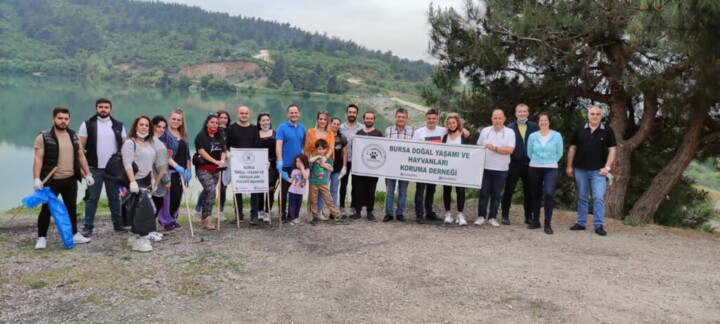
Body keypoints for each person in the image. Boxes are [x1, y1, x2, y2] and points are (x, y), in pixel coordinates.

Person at [33, 107, 93, 250]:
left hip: (70, 179)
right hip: (51, 180)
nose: (63, 121)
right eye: (60, 118)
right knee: (46, 209)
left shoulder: (74, 136)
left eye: (66, 119)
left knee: (71, 208)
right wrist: (36, 178)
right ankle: (42, 237)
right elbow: (38, 159)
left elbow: (80, 156)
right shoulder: (43, 136)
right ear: (53, 119)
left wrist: (88, 173)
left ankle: (74, 234)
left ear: (69, 120)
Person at [566, 106, 616, 236]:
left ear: (601, 116)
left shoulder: (608, 131)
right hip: (580, 170)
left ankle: (599, 225)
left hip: (598, 172)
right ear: (588, 116)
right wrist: (569, 166)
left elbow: (612, 150)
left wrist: (607, 168)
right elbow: (572, 149)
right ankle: (581, 223)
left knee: (598, 198)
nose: (594, 116)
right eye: (592, 114)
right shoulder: (579, 129)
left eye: (597, 114)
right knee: (582, 197)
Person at [80, 98, 127, 237]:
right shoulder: (87, 124)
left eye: (106, 107)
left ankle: (118, 224)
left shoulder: (118, 125)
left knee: (114, 197)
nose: (103, 109)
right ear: (96, 109)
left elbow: (125, 146)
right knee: (92, 198)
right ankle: (88, 227)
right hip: (94, 168)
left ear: (110, 109)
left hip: (114, 169)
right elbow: (80, 149)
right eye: (100, 107)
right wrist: (84, 171)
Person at [122, 116, 159, 252]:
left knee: (142, 211)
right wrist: (132, 181)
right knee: (145, 212)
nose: (144, 127)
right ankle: (141, 239)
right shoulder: (130, 143)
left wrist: (152, 178)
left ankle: (133, 236)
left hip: (147, 181)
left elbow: (149, 163)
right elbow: (127, 163)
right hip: (136, 181)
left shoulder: (148, 143)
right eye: (141, 125)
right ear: (136, 126)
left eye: (146, 125)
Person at [476, 109, 516, 227]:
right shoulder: (485, 131)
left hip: (501, 169)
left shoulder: (510, 132)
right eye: (495, 118)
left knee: (496, 195)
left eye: (500, 118)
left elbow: (510, 150)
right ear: (491, 119)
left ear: (504, 119)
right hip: (485, 167)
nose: (497, 120)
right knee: (483, 194)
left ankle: (492, 217)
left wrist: (495, 149)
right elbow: (478, 147)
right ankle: (481, 216)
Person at [501, 103, 539, 225]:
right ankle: (505, 215)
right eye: (519, 111)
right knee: (509, 190)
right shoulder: (510, 127)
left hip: (530, 163)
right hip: (514, 163)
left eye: (524, 111)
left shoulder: (534, 127)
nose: (522, 113)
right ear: (516, 113)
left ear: (528, 113)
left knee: (529, 191)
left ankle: (528, 216)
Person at [225, 106, 263, 225]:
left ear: (249, 114)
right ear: (237, 114)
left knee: (255, 190)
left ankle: (254, 215)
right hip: (237, 165)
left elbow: (258, 146)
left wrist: (260, 161)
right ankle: (239, 215)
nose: (244, 115)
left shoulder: (254, 129)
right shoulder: (231, 128)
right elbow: (226, 146)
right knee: (237, 191)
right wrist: (228, 153)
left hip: (252, 164)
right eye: (241, 113)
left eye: (246, 113)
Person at [527, 113, 563, 235]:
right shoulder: (533, 136)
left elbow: (560, 152)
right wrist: (538, 160)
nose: (543, 122)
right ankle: (536, 220)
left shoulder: (556, 135)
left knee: (549, 193)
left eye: (545, 120)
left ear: (549, 122)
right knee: (535, 194)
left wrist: (549, 160)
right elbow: (529, 152)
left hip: (551, 167)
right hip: (535, 167)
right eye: (541, 120)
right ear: (538, 122)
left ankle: (548, 223)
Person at [157, 108, 192, 232]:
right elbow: (164, 155)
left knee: (177, 197)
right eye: (173, 119)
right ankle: (166, 221)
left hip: (181, 172)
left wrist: (189, 170)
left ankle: (173, 218)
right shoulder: (164, 136)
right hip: (169, 170)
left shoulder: (183, 136)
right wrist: (176, 165)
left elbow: (187, 155)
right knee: (168, 198)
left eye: (178, 120)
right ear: (169, 119)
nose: (175, 121)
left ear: (182, 122)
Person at [194, 114, 227, 230]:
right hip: (203, 168)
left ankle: (204, 217)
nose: (215, 124)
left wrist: (222, 160)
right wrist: (216, 161)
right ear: (207, 123)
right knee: (211, 191)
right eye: (212, 122)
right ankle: (207, 219)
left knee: (210, 193)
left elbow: (224, 150)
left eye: (217, 123)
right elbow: (202, 152)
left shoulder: (220, 136)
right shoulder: (201, 136)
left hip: (216, 170)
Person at [412, 109, 445, 223]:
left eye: (433, 118)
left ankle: (429, 212)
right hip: (421, 167)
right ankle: (419, 214)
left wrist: (464, 130)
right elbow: (413, 148)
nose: (431, 120)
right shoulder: (419, 132)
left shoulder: (443, 131)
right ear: (426, 118)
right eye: (429, 118)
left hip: (434, 168)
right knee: (420, 191)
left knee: (431, 190)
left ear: (437, 119)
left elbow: (455, 130)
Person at [350, 111, 384, 221]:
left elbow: (383, 150)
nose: (369, 120)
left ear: (374, 120)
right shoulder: (358, 133)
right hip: (360, 168)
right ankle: (358, 211)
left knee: (371, 190)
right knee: (358, 190)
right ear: (364, 119)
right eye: (367, 118)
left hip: (373, 168)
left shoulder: (379, 134)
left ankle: (370, 212)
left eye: (371, 118)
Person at [275, 104, 306, 222]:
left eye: (296, 112)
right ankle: (282, 213)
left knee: (296, 190)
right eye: (291, 112)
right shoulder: (282, 127)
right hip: (285, 165)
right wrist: (279, 160)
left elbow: (303, 144)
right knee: (283, 191)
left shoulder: (302, 128)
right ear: (288, 114)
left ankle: (292, 213)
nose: (294, 114)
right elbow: (279, 144)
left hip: (297, 166)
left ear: (299, 114)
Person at [383, 108, 414, 222]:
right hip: (390, 166)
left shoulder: (412, 131)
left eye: (403, 117)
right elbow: (384, 147)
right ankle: (389, 213)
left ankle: (400, 213)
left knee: (403, 191)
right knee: (389, 191)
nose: (401, 119)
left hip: (405, 166)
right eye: (399, 116)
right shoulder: (388, 130)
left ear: (406, 118)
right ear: (395, 117)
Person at [441, 113, 471, 226]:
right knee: (447, 190)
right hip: (447, 168)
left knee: (460, 191)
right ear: (447, 125)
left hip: (461, 169)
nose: (452, 125)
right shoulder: (445, 137)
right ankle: (448, 213)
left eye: (453, 122)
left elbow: (470, 152)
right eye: (449, 123)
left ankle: (460, 214)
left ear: (457, 123)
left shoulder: (464, 136)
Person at [306, 110, 335, 220]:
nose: (322, 121)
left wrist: (324, 160)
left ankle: (320, 211)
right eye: (320, 119)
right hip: (313, 162)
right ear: (317, 119)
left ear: (328, 121)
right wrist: (308, 163)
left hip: (324, 162)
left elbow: (331, 148)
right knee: (312, 189)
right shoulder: (311, 132)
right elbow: (307, 148)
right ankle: (310, 212)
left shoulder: (330, 133)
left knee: (323, 188)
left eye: (325, 119)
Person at [307, 139, 342, 225]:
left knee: (328, 199)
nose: (321, 150)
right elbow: (310, 161)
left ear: (325, 149)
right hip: (313, 182)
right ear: (316, 149)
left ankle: (336, 215)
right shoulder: (314, 157)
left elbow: (331, 169)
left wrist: (323, 165)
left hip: (323, 183)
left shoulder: (328, 159)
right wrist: (318, 157)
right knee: (314, 200)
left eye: (322, 149)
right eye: (319, 149)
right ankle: (315, 217)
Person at [150, 116, 172, 231]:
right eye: (158, 126)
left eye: (164, 127)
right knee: (156, 203)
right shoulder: (157, 144)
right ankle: (149, 229)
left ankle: (148, 228)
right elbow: (160, 165)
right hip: (156, 179)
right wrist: (166, 179)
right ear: (152, 126)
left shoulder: (149, 140)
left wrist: (167, 155)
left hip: (148, 178)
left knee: (149, 204)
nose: (161, 129)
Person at [338, 104, 361, 216]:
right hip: (344, 160)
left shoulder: (361, 128)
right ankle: (341, 206)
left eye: (354, 112)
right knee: (343, 184)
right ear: (347, 113)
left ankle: (353, 207)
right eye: (350, 112)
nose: (352, 114)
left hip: (357, 160)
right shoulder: (340, 127)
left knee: (356, 184)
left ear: (357, 114)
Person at [257, 113, 278, 222]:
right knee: (260, 189)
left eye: (267, 120)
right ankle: (259, 211)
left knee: (270, 189)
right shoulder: (256, 134)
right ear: (259, 122)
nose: (265, 122)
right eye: (263, 120)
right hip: (260, 164)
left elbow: (279, 148)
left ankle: (267, 212)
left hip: (273, 164)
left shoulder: (275, 133)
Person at [329, 117, 347, 214]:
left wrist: (344, 166)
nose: (335, 126)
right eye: (334, 123)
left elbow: (344, 153)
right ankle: (319, 211)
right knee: (322, 190)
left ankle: (333, 211)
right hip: (326, 168)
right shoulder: (326, 135)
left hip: (337, 168)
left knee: (334, 190)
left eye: (338, 124)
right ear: (330, 124)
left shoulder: (342, 138)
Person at [287, 154, 310, 225]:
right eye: (296, 161)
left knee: (298, 204)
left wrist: (302, 168)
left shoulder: (307, 170)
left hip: (300, 191)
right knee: (292, 204)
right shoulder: (294, 170)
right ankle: (293, 218)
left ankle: (296, 217)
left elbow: (306, 177)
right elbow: (291, 180)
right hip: (292, 190)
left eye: (300, 161)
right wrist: (283, 175)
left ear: (304, 162)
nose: (297, 163)